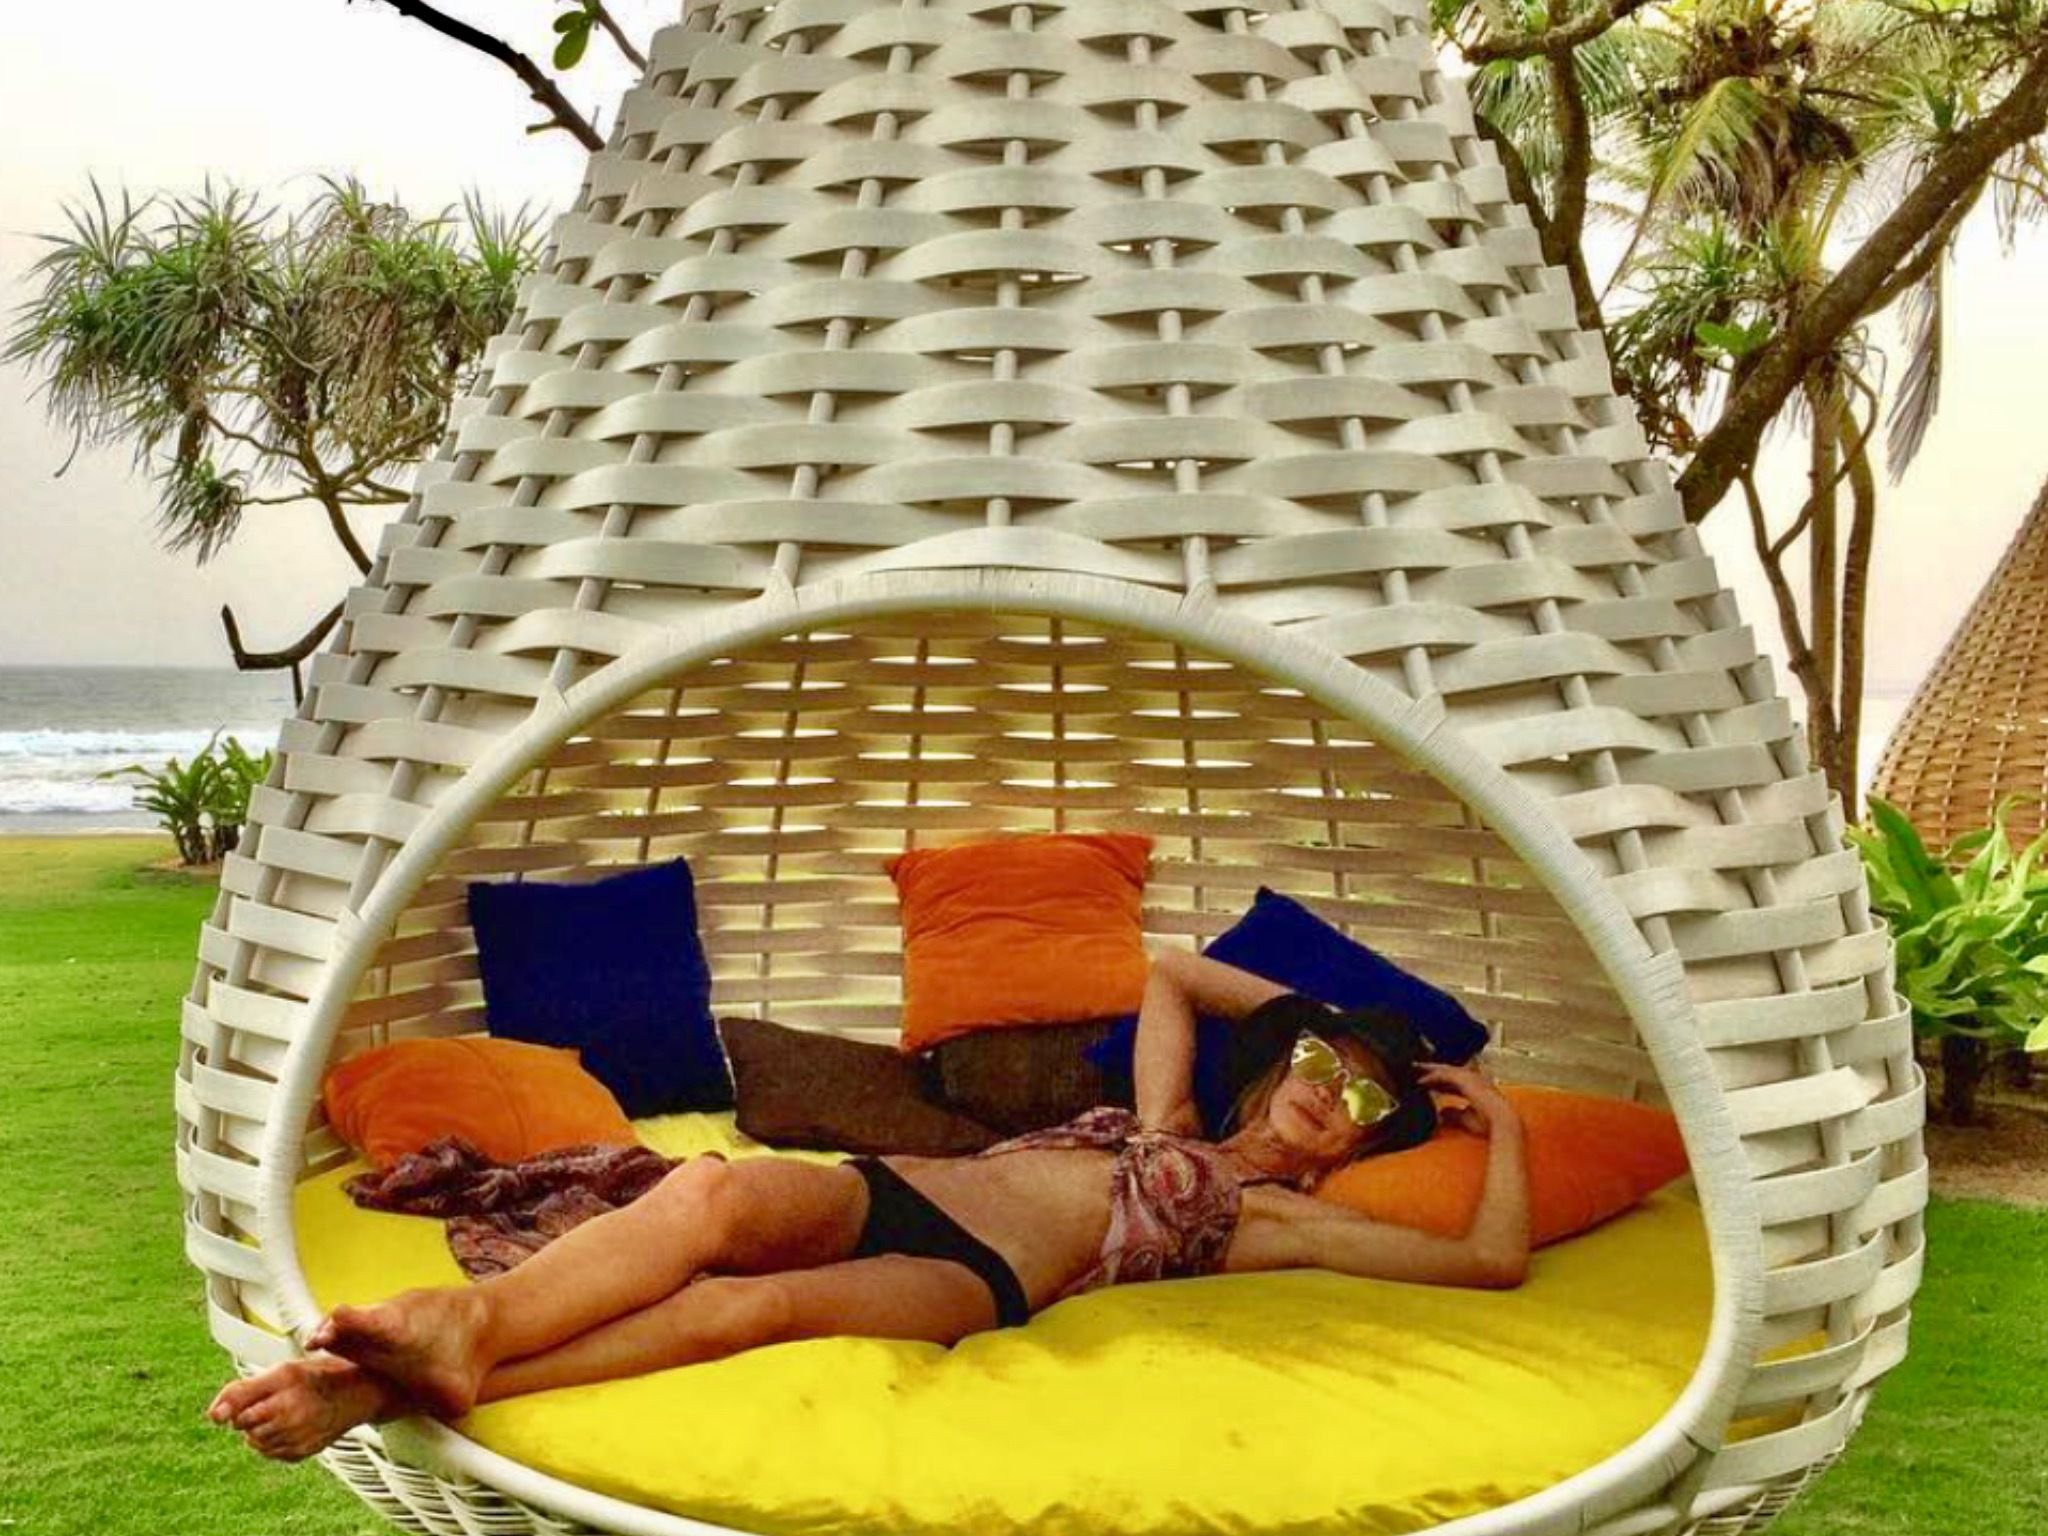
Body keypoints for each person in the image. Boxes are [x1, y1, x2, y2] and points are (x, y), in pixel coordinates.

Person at [210, 949, 1530, 1462]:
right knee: (709, 1193)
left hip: (980, 1282)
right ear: (1285, 1063)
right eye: (1319, 1068)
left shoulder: (1276, 1219)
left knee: (747, 1310)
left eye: (1363, 1100)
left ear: (1369, 1140)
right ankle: (469, 1326)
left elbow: (1489, 1260)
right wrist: (1320, 1017)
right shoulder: (1169, 1117)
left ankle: (382, 1385)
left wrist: (1501, 1121)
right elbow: (1171, 974)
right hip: (896, 1189)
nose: (1327, 1098)